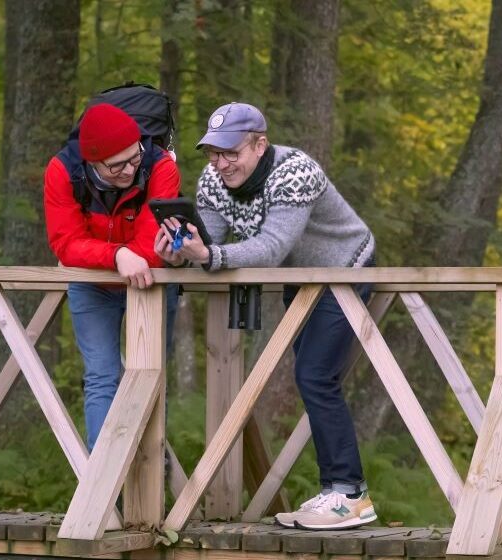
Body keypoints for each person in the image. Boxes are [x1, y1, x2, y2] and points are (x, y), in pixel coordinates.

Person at [158, 102, 378, 530]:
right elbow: (210, 244)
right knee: (311, 376)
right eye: (213, 153)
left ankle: (350, 494)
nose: (221, 163)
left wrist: (208, 254)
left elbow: (270, 248)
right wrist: (178, 253)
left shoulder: (296, 171)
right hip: (303, 275)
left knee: (316, 377)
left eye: (231, 152)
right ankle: (336, 490)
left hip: (344, 266)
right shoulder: (213, 181)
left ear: (260, 144)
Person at [43, 102, 181, 449]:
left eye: (134, 158)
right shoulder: (62, 171)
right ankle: (104, 492)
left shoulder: (160, 164)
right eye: (117, 165)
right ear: (92, 162)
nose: (130, 170)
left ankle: (148, 475)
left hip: (151, 284)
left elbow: (153, 247)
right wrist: (116, 254)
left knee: (151, 376)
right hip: (93, 287)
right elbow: (65, 243)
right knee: (101, 378)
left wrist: (116, 255)